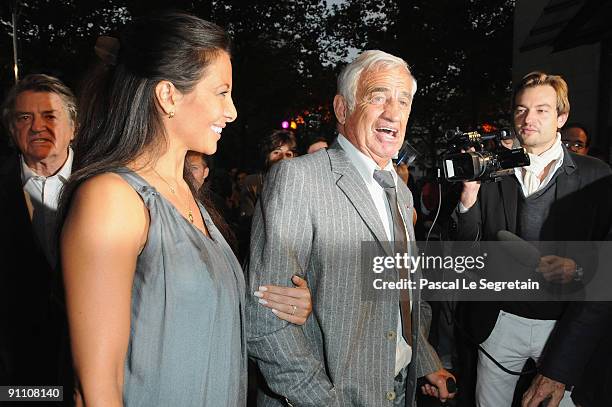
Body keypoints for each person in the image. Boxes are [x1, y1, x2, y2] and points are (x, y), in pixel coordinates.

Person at [59, 12, 311, 406]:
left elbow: (195, 317)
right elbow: (95, 389)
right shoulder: (111, 199)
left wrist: (281, 304)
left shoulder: (193, 200)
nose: (232, 112)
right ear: (168, 96)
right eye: (221, 92)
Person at [246, 50, 454, 406]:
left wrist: (424, 361)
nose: (393, 112)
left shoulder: (402, 194)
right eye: (378, 97)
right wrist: (323, 400)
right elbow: (264, 318)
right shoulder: (298, 178)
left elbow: (405, 293)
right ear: (342, 109)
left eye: (403, 101)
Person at [451, 71, 612, 406]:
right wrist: (468, 198)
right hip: (498, 322)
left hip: (563, 325)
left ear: (561, 117)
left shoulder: (595, 175)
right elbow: (470, 246)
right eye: (521, 110)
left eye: (541, 110)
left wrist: (578, 267)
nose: (528, 118)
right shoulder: (494, 172)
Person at [0, 73, 76, 388]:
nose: (37, 127)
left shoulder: (107, 186)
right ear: (10, 129)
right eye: (25, 117)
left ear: (74, 127)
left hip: (87, 370)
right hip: (15, 375)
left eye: (49, 116)